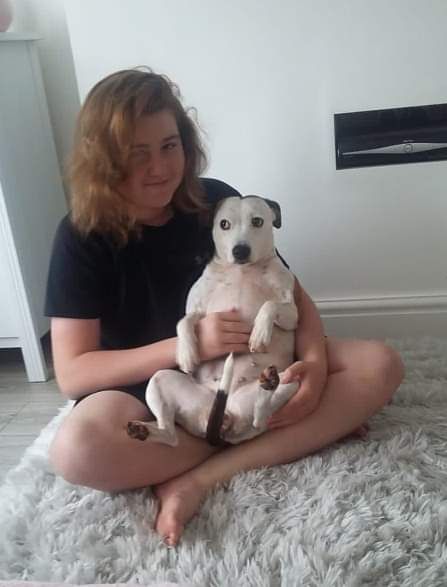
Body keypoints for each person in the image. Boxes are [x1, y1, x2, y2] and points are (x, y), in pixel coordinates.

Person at [46, 67, 405, 547]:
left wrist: (316, 371)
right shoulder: (80, 235)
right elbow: (74, 373)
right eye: (137, 153)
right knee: (77, 451)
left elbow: (290, 292)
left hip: (257, 364)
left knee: (380, 365)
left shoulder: (216, 201)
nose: (159, 167)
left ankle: (199, 476)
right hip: (151, 389)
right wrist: (188, 345)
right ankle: (279, 433)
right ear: (105, 158)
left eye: (169, 146)